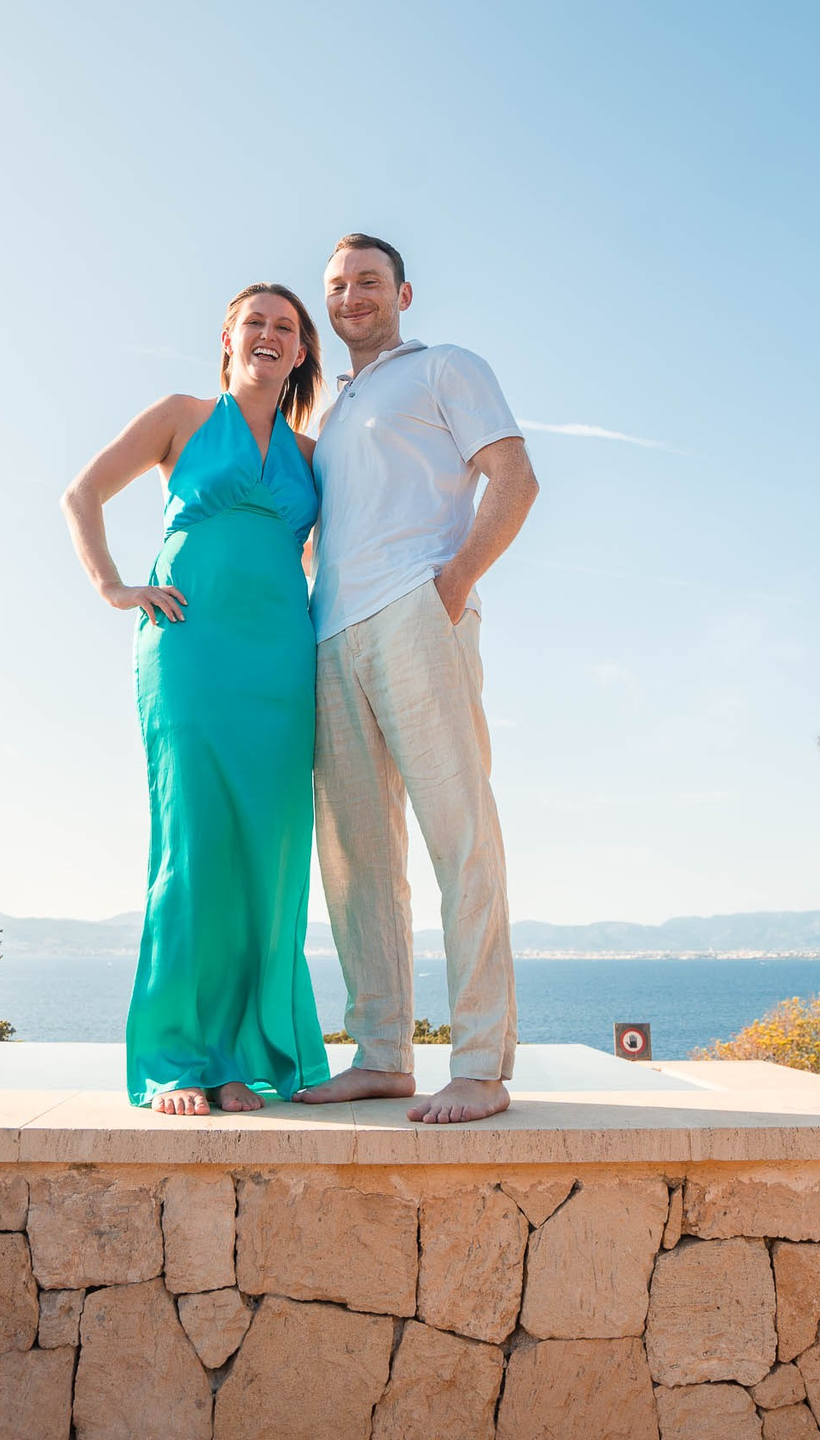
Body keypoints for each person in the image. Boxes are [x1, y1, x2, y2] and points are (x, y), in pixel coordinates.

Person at [60, 283, 334, 1114]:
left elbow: (329, 555)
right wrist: (112, 585)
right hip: (190, 650)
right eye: (256, 321)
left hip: (282, 667)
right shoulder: (181, 414)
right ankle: (180, 1055)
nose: (269, 334)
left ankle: (240, 1058)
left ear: (299, 353)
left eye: (285, 327)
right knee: (194, 840)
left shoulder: (311, 453)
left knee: (271, 854)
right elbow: (81, 494)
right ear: (227, 337)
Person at [293, 234, 538, 1124]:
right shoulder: (329, 409)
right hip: (333, 633)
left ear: (401, 291)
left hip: (417, 612)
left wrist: (454, 583)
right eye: (337, 285)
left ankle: (479, 1063)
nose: (351, 296)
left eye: (367, 281)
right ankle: (383, 1052)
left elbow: (514, 477)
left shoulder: (444, 367)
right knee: (357, 861)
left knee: (458, 835)